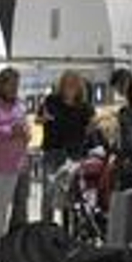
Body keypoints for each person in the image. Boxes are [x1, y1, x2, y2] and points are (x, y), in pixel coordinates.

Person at [0, 68, 29, 259]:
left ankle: (2, 241)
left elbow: (24, 126)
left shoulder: (19, 104)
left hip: (15, 161)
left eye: (17, 85)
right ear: (1, 83)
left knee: (5, 204)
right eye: (11, 84)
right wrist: (10, 131)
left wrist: (25, 134)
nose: (14, 88)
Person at [38, 71, 95, 221]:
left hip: (75, 154)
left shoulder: (84, 106)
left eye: (73, 83)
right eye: (67, 83)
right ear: (61, 85)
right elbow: (39, 118)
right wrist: (43, 119)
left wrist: (92, 127)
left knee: (72, 194)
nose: (70, 86)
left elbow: (90, 128)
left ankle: (68, 230)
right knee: (49, 192)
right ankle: (46, 228)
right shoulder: (51, 101)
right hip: (53, 151)